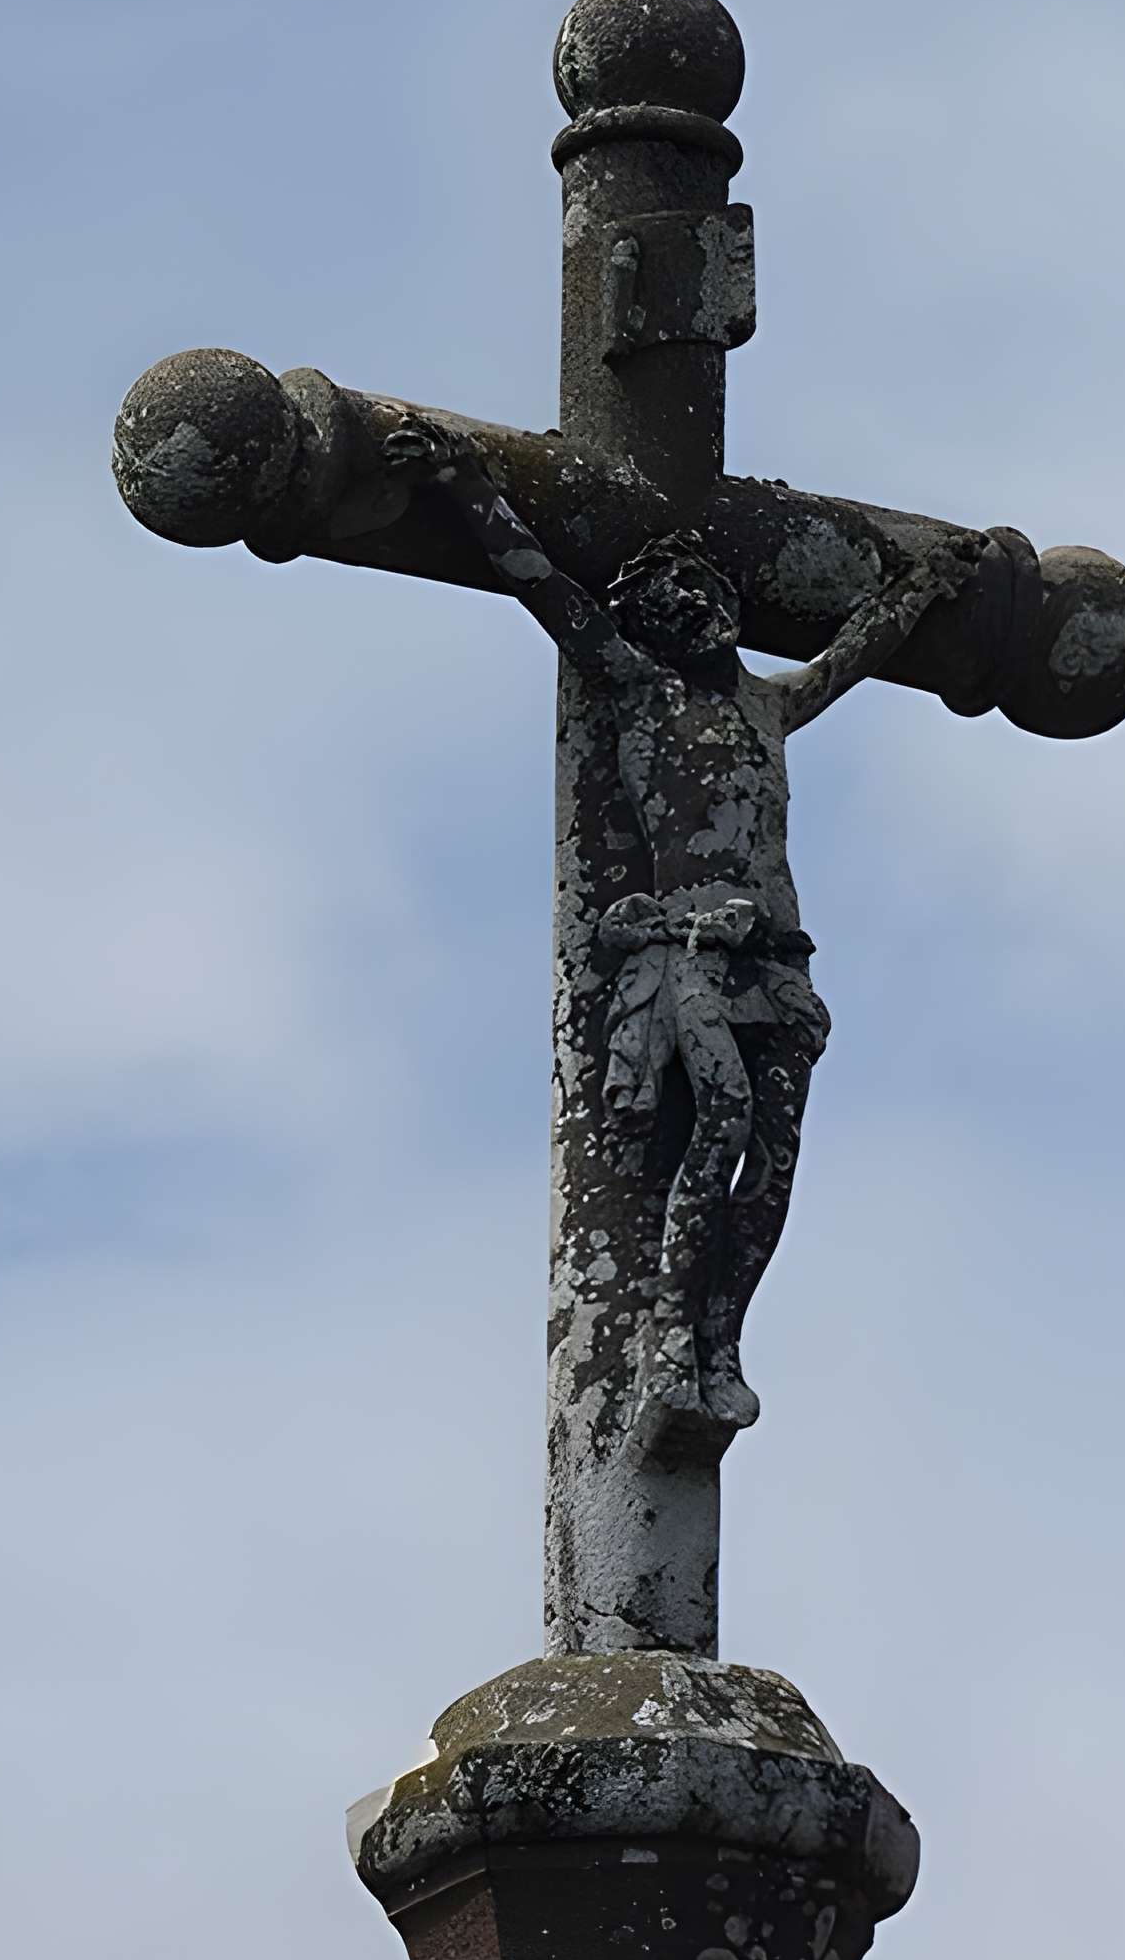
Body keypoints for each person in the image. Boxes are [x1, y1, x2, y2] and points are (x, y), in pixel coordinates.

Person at [383, 414, 986, 1442]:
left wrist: (926, 586)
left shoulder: (769, 706)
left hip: (779, 964)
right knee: (717, 1123)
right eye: (677, 600)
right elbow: (548, 589)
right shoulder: (639, 693)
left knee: (775, 1164)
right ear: (655, 619)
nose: (699, 610)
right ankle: (671, 1334)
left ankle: (722, 1332)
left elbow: (859, 649)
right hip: (690, 954)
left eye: (709, 596)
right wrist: (463, 484)